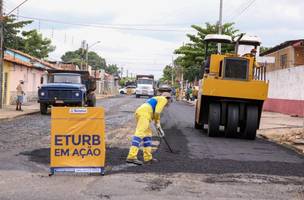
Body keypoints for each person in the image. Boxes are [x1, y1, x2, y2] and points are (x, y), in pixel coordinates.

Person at [126, 92, 171, 165]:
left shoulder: (156, 99)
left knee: (147, 135)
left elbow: (155, 113)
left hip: (141, 112)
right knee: (139, 133)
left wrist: (158, 125)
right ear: (168, 98)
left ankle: (148, 158)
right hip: (144, 114)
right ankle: (131, 156)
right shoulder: (163, 99)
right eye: (169, 101)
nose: (168, 103)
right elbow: (157, 112)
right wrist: (157, 125)